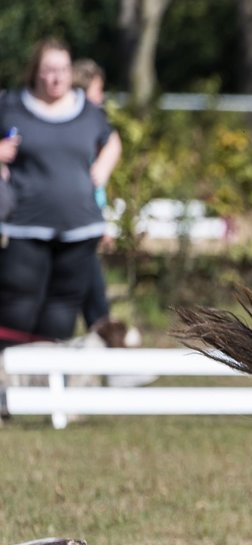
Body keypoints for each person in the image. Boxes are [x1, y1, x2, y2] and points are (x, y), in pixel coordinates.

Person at [0, 39, 118, 344]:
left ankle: (50, 383)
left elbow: (112, 140)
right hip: (25, 225)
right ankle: (10, 380)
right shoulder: (12, 105)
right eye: (50, 70)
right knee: (19, 306)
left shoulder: (87, 111)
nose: (57, 78)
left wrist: (103, 168)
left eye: (63, 70)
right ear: (36, 72)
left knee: (62, 310)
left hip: (79, 227)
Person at [72, 57, 119, 330]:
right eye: (97, 91)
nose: (101, 98)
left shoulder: (91, 128)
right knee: (94, 299)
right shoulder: (83, 130)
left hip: (87, 218)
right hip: (82, 220)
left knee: (92, 295)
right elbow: (92, 181)